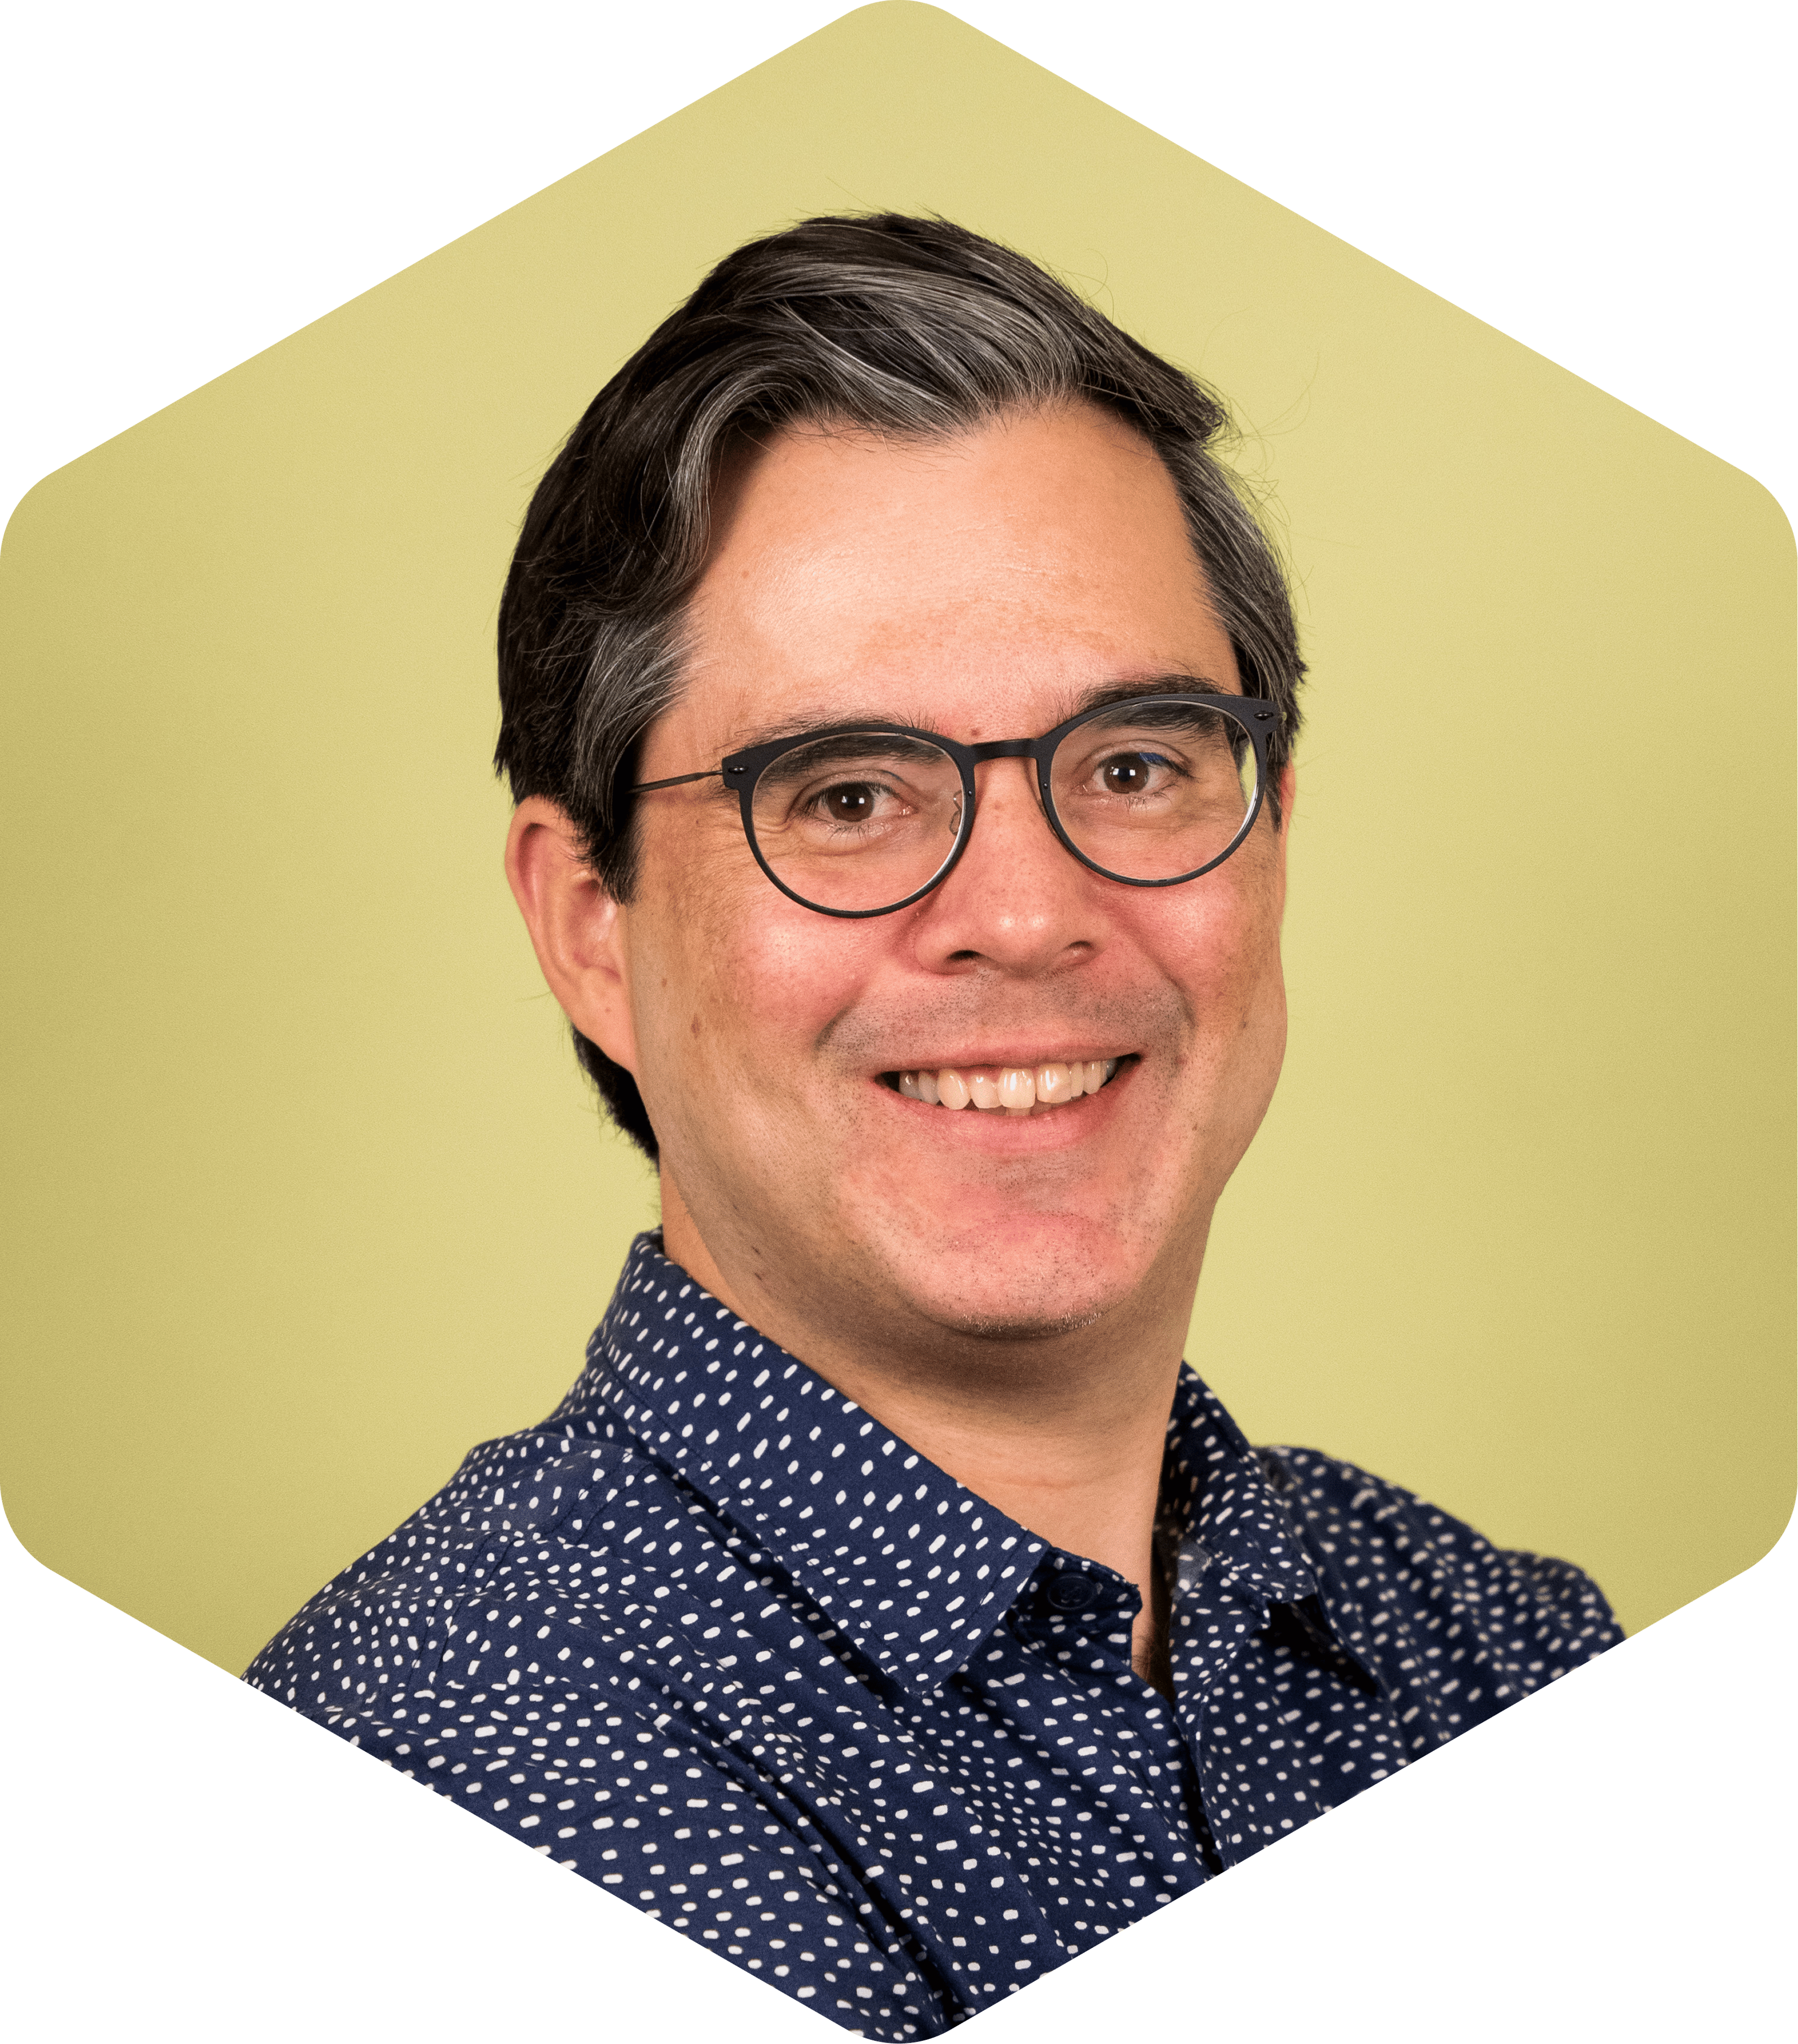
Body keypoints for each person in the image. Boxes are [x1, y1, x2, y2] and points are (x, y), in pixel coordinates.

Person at [245, 214, 1620, 2038]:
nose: (1028, 910)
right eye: (850, 794)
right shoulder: (424, 1788)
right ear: (592, 923)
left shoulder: (1505, 1649)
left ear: (1272, 837)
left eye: (1135, 763)